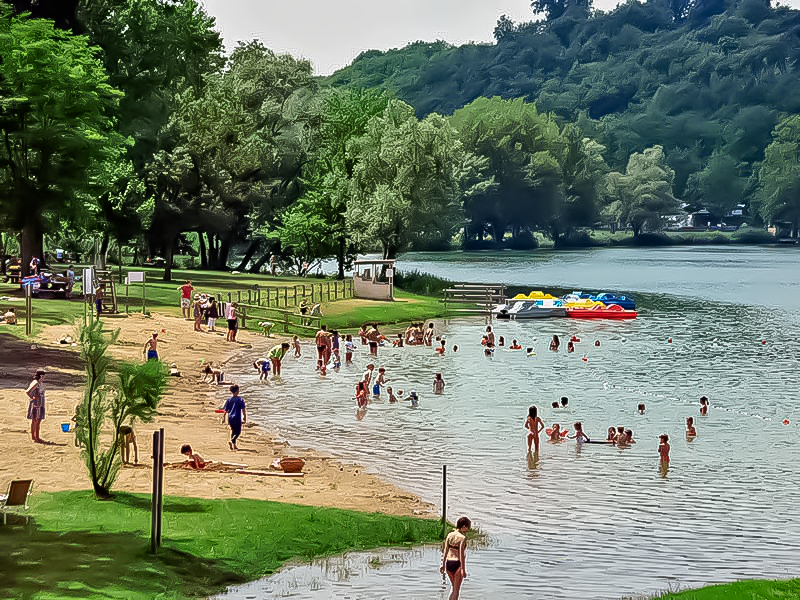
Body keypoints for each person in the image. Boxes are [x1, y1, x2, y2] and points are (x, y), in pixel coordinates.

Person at [440, 516, 471, 600]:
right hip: (457, 563)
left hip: (448, 563)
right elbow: (462, 555)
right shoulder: (462, 538)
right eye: (467, 527)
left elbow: (445, 550)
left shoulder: (450, 535)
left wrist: (442, 565)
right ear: (463, 526)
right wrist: (463, 569)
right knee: (456, 590)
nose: (467, 530)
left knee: (453, 588)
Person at [223, 385, 246, 450]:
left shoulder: (229, 400)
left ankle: (234, 445)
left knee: (233, 431)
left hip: (230, 417)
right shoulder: (240, 400)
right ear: (236, 391)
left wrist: (224, 418)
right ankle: (232, 441)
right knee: (238, 432)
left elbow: (225, 410)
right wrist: (244, 418)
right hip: (237, 417)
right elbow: (243, 410)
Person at [26, 369, 47, 443]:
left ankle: (35, 437)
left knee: (36, 421)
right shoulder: (36, 383)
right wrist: (33, 397)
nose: (44, 378)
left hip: (39, 403)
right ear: (40, 376)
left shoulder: (38, 383)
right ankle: (36, 437)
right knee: (36, 421)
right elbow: (28, 391)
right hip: (37, 404)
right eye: (43, 376)